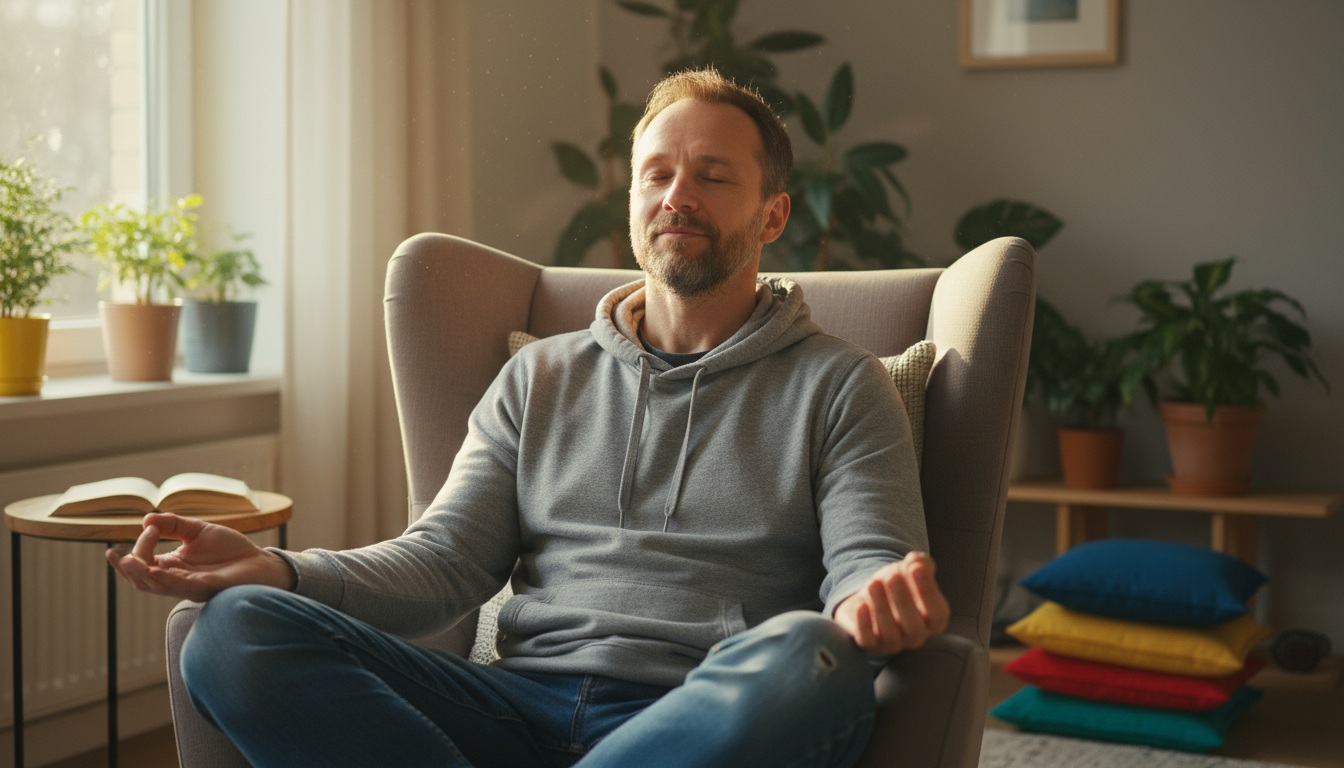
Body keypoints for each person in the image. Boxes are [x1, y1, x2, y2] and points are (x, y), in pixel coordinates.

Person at [108, 68, 950, 768]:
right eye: (657, 174)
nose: (677, 197)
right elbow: (443, 562)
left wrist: (871, 604)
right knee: (232, 632)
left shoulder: (842, 385)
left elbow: (867, 563)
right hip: (510, 708)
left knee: (810, 657)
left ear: (773, 214)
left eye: (713, 175)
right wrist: (278, 570)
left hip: (700, 715)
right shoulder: (538, 375)